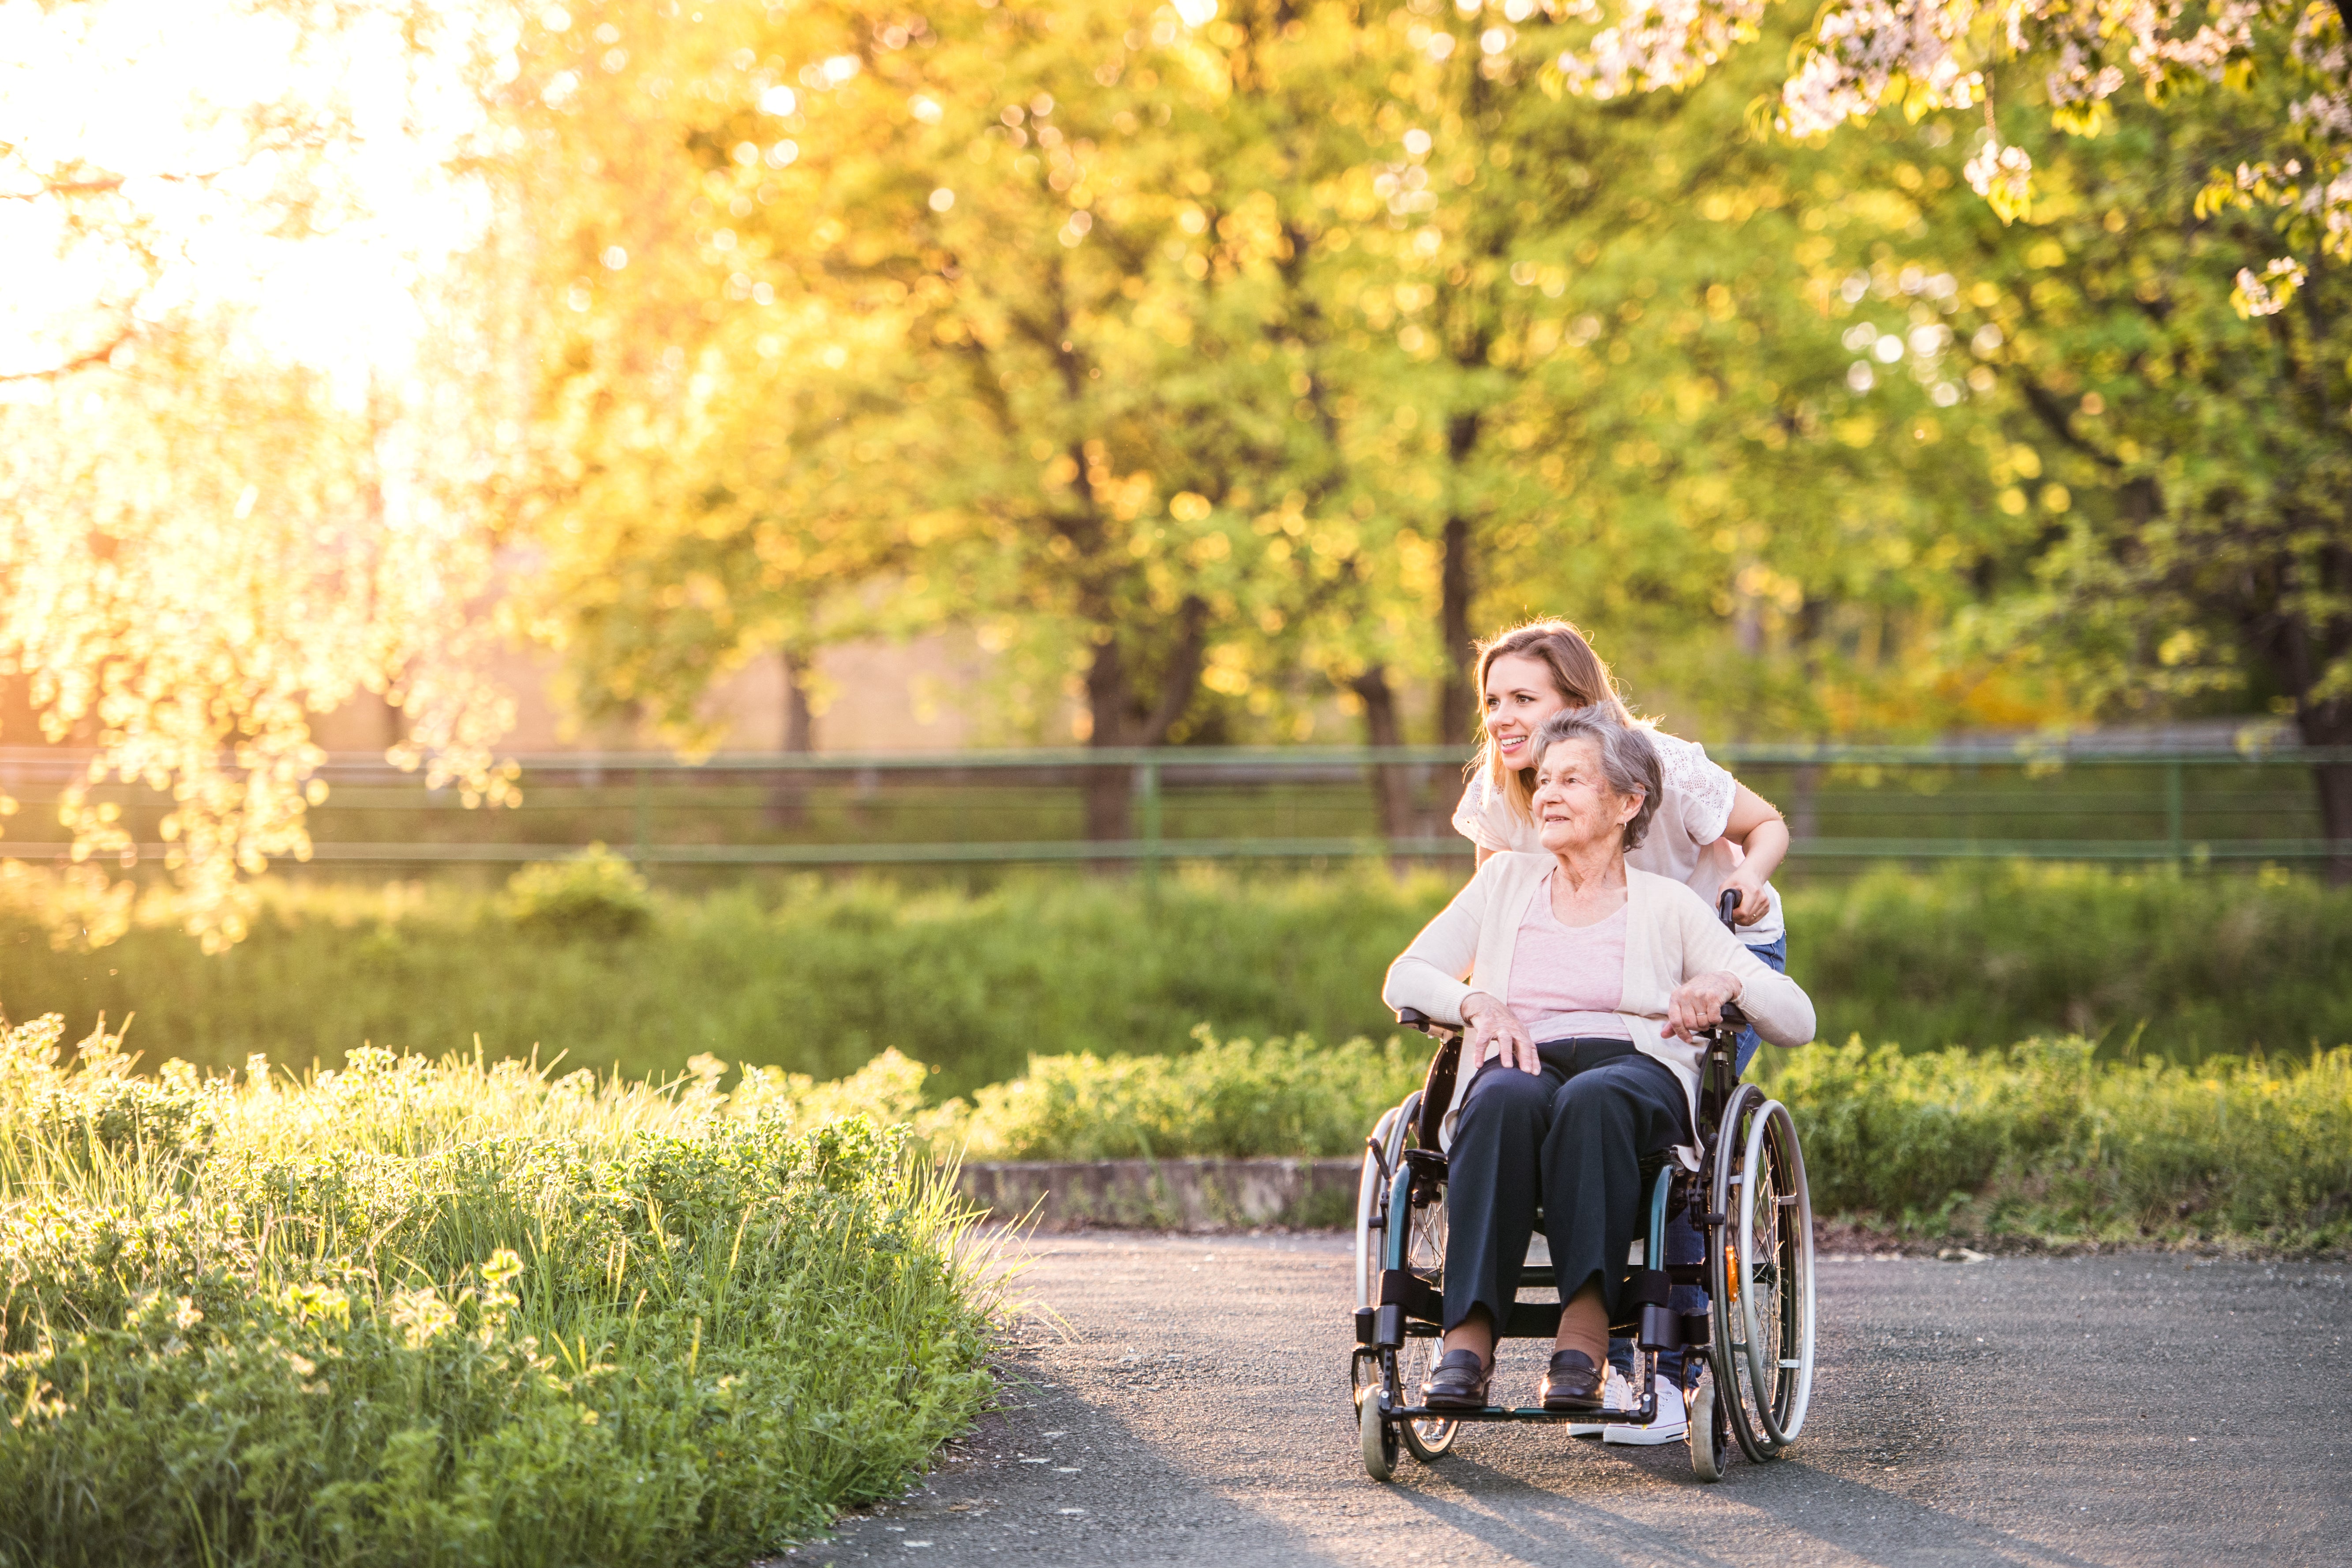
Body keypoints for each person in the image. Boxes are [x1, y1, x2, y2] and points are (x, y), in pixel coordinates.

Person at [1382, 707, 1815, 1427]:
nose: (1546, 794)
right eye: (1543, 780)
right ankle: (1468, 1340)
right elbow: (1406, 975)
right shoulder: (1503, 885)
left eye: (1572, 780)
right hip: (1520, 1058)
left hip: (1632, 1073)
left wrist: (1729, 983)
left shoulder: (1669, 907)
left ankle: (1582, 1337)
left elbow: (1796, 1017)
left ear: (1626, 803)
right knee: (1498, 1102)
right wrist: (1476, 1003)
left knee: (1593, 1098)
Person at [1453, 618, 1790, 1076]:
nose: (1498, 718)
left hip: (1718, 944)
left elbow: (1767, 825)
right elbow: (1492, 920)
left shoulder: (1661, 766)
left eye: (1523, 700)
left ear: (1576, 705)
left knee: (1678, 1096)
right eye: (1492, 702)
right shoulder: (1496, 790)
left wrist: (1749, 876)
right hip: (1613, 958)